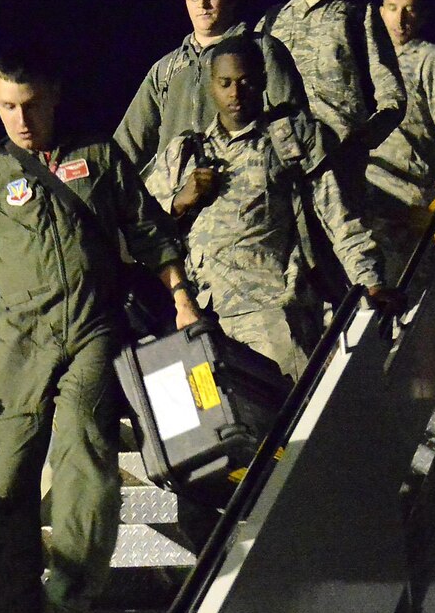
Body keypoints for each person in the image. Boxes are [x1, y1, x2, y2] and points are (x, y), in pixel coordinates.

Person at [0, 50, 196, 613]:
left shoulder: (98, 158)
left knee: (84, 454)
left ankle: (68, 598)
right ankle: (5, 608)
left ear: (54, 96)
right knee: (3, 476)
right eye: (8, 106)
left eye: (31, 105)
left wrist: (182, 296)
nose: (21, 119)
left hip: (91, 329)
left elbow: (149, 232)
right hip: (19, 341)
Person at [146, 37, 391, 378]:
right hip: (203, 324)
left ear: (262, 80)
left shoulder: (286, 139)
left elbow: (338, 216)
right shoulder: (184, 152)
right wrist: (178, 202)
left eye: (245, 82)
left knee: (292, 421)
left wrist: (370, 282)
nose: (235, 93)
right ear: (211, 86)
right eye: (225, 83)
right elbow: (140, 232)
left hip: (272, 316)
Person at [112, 0, 310, 177]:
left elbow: (295, 126)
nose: (202, 5)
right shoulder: (166, 68)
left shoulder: (261, 51)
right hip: (176, 200)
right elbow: (128, 145)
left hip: (242, 191)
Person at [255, 0, 407, 164]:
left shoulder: (358, 13)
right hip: (283, 160)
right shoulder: (272, 21)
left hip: (338, 158)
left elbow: (392, 94)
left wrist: (362, 141)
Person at [368, 0, 435, 272]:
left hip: (411, 191)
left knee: (413, 272)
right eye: (393, 8)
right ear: (380, 12)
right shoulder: (367, 59)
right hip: (370, 184)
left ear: (421, 16)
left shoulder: (429, 57)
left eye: (409, 10)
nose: (400, 19)